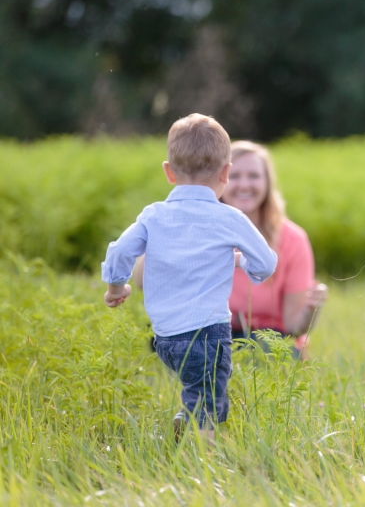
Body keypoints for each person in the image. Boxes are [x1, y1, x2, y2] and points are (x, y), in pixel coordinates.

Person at [101, 114, 277, 444]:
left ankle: (188, 419)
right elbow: (266, 263)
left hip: (165, 339)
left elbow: (119, 251)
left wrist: (116, 287)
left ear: (169, 171)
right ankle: (202, 468)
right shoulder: (229, 218)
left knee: (208, 393)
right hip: (208, 334)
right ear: (226, 173)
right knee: (210, 403)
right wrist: (247, 266)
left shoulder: (153, 215)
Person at [219, 141, 327, 359]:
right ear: (220, 181)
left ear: (268, 183)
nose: (244, 184)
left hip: (273, 341)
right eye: (235, 175)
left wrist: (311, 311)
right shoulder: (203, 233)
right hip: (218, 336)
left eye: (254, 176)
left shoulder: (293, 240)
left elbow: (293, 327)